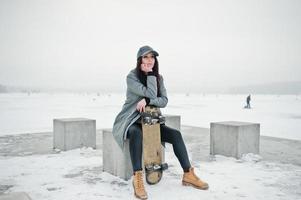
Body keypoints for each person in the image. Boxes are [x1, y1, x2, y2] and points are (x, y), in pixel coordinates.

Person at [112, 45, 209, 199]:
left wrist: (148, 100)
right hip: (131, 120)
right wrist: (150, 76)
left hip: (151, 122)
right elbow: (151, 92)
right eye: (146, 57)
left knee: (176, 135)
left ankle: (188, 174)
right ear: (140, 60)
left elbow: (164, 101)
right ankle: (137, 178)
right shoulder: (131, 77)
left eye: (152, 57)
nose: (149, 60)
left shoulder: (159, 78)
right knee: (136, 134)